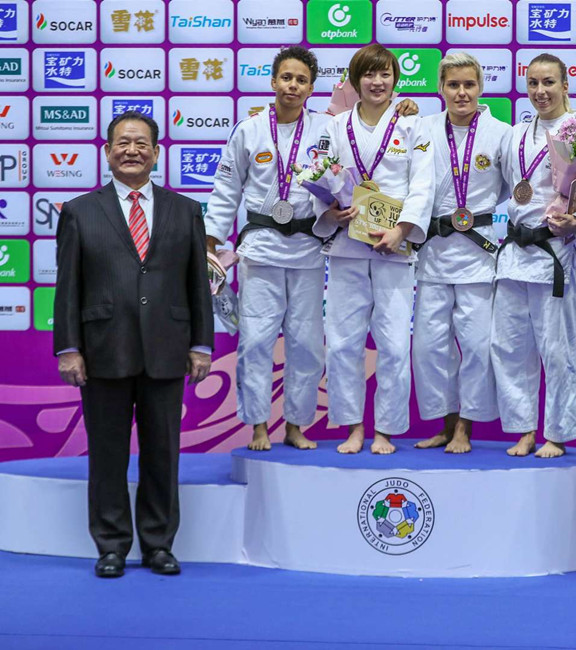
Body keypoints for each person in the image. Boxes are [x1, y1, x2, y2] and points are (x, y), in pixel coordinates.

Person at [53, 111, 214, 578]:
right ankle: (111, 545)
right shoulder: (80, 211)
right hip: (103, 348)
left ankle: (159, 544)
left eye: (142, 143)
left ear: (156, 153)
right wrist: (69, 347)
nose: (132, 151)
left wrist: (201, 343)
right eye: (123, 143)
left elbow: (197, 284)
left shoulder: (185, 209)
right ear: (107, 152)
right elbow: (68, 286)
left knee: (163, 452)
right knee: (107, 455)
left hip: (168, 347)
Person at [491, 54, 576, 459]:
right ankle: (523, 429)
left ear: (566, 85)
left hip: (556, 254)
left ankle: (557, 433)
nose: (540, 91)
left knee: (557, 349)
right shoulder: (515, 134)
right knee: (510, 346)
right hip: (515, 252)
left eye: (548, 82)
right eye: (533, 83)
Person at [312, 44, 434, 454]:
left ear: (396, 79)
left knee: (395, 345)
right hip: (348, 246)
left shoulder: (413, 124)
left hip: (393, 248)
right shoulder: (335, 126)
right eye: (369, 74)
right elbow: (320, 176)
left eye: (385, 74)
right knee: (343, 343)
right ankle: (353, 427)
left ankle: (386, 429)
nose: (377, 82)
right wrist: (330, 211)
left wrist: (403, 230)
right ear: (354, 80)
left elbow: (423, 183)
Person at [205, 46, 328, 452]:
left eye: (302, 80)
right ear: (273, 81)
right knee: (256, 341)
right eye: (286, 77)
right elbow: (226, 189)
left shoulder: (326, 130)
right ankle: (258, 425)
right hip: (260, 250)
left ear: (311, 88)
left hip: (308, 249)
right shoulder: (249, 129)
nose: (293, 85)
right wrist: (211, 241)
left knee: (306, 344)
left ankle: (295, 425)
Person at [412, 53, 510, 454]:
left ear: (481, 87)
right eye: (453, 84)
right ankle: (445, 423)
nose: (462, 92)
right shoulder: (421, 128)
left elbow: (515, 186)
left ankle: (465, 429)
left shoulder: (502, 133)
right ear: (441, 88)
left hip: (478, 255)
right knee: (429, 347)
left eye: (469, 84)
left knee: (476, 346)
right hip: (433, 251)